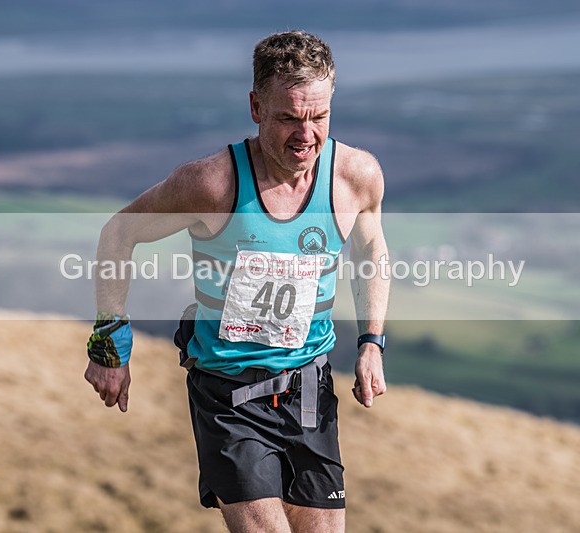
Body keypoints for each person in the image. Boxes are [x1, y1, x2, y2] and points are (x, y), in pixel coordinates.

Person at [84, 30, 390, 533]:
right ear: (255, 107)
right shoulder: (211, 184)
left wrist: (371, 342)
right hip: (228, 396)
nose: (306, 135)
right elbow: (119, 234)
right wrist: (109, 344)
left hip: (309, 392)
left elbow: (371, 248)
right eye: (288, 117)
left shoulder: (355, 177)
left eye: (319, 117)